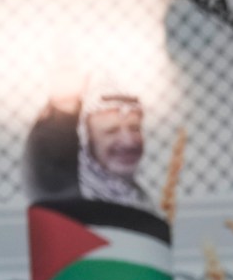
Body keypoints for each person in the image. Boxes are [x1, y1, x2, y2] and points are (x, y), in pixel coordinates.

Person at [25, 73, 151, 209]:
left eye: (135, 128)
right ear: (86, 141)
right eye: (111, 131)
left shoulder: (139, 197)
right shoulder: (65, 197)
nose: (129, 142)